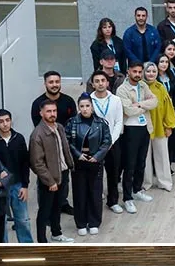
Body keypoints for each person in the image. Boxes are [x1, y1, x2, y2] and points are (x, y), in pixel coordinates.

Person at [29, 99, 75, 243]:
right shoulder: (37, 134)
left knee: (57, 206)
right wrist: (50, 181)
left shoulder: (59, 127)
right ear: (41, 113)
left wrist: (70, 165)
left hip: (63, 173)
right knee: (45, 211)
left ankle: (56, 233)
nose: (52, 114)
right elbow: (37, 163)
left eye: (54, 111)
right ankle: (42, 241)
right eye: (48, 111)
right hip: (49, 179)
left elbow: (65, 149)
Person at [64, 94, 111, 236]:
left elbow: (107, 141)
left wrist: (97, 156)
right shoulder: (72, 123)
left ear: (92, 107)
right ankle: (81, 222)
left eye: (87, 106)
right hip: (79, 162)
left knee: (95, 193)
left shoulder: (101, 123)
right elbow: (67, 141)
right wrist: (78, 154)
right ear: (78, 107)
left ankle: (94, 222)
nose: (85, 109)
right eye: (82, 106)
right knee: (79, 193)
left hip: (95, 162)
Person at [116, 62, 158, 213]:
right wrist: (144, 106)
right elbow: (128, 110)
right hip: (130, 129)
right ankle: (127, 198)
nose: (138, 74)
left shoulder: (143, 85)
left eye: (140, 72)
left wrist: (138, 104)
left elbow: (155, 101)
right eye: (135, 71)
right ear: (128, 71)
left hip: (144, 127)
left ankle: (137, 189)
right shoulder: (122, 89)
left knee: (141, 162)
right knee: (130, 164)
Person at [0, 110, 32, 243]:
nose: (5, 124)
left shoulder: (19, 138)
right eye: (1, 121)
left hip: (18, 185)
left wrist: (25, 185)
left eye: (7, 120)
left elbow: (25, 163)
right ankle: (4, 247)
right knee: (2, 222)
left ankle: (27, 246)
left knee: (23, 220)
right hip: (1, 188)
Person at [87, 71, 124, 214]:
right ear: (92, 84)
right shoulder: (88, 100)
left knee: (113, 172)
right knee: (94, 173)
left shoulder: (115, 100)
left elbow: (119, 121)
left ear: (107, 83)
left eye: (103, 80)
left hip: (112, 143)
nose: (100, 83)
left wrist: (110, 141)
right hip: (94, 143)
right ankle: (95, 199)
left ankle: (113, 201)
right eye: (97, 81)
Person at [141, 61, 175, 193]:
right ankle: (146, 183)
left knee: (162, 155)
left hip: (159, 126)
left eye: (153, 71)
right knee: (145, 156)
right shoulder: (140, 87)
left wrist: (169, 126)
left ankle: (164, 182)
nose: (151, 74)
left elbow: (168, 108)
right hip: (143, 127)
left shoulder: (161, 88)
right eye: (148, 71)